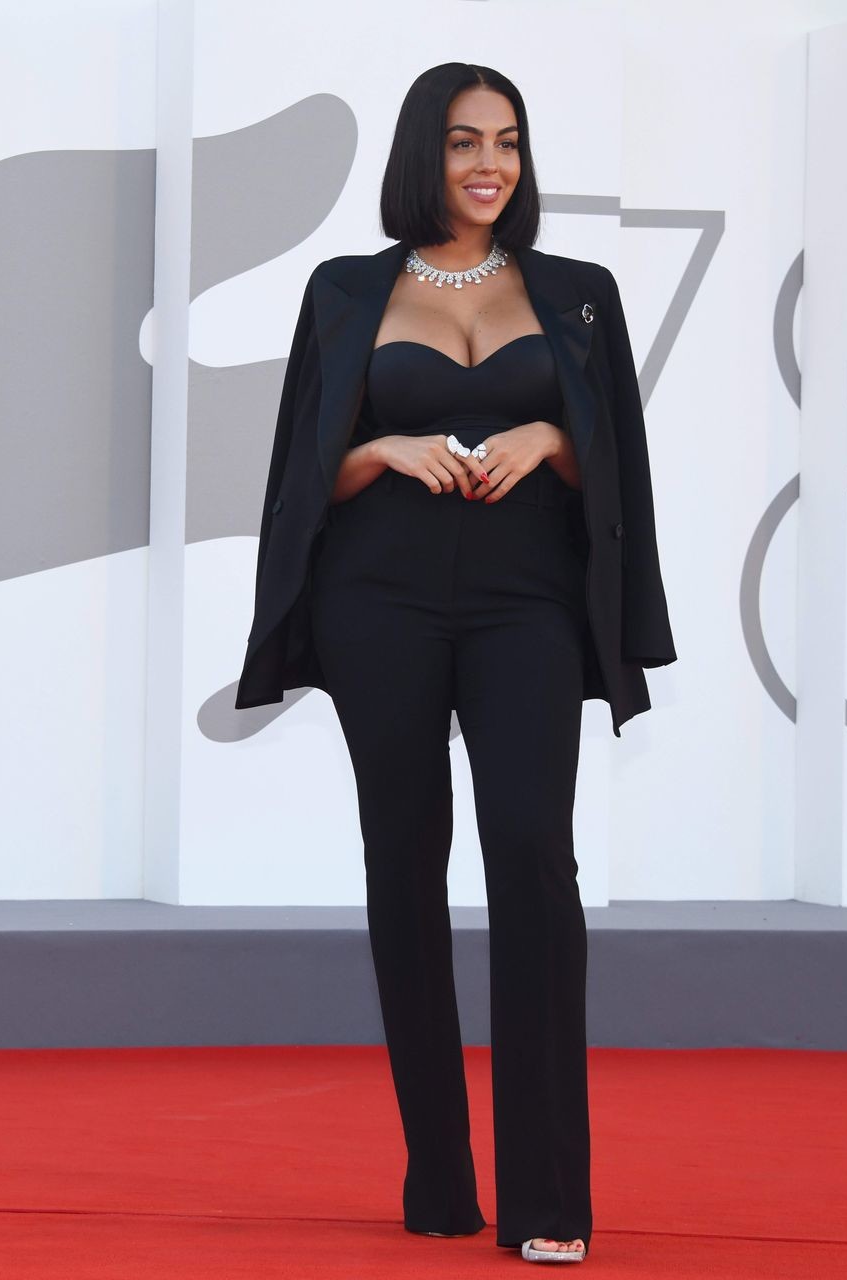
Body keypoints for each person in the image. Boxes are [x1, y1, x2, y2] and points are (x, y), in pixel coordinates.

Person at [239, 63, 679, 1266]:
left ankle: (549, 1196)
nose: (490, 164)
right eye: (464, 141)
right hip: (377, 601)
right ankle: (438, 1169)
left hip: (526, 604)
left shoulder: (578, 294)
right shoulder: (346, 290)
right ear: (421, 155)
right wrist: (382, 448)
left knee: (534, 855)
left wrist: (551, 436)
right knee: (404, 862)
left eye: (508, 142)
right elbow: (300, 475)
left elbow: (620, 468)